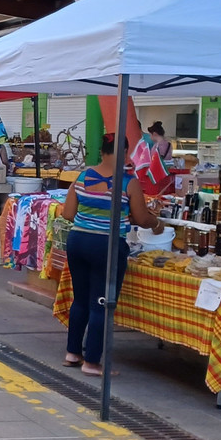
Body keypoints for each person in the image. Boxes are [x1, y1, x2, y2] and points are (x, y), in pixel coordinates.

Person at [62, 133, 163, 376]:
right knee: (101, 303)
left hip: (77, 241)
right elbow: (141, 218)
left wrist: (92, 216)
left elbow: (67, 214)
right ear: (126, 153)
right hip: (105, 246)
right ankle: (92, 362)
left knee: (80, 299)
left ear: (101, 152)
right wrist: (156, 224)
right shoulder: (128, 182)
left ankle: (73, 353)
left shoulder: (83, 177)